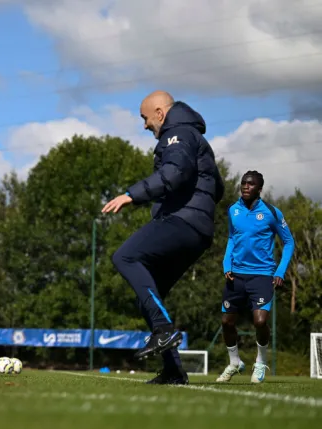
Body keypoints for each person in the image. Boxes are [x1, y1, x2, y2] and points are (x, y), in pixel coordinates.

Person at [102, 90, 225, 385]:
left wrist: (132, 194)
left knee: (125, 256)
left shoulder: (178, 134)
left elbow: (175, 172)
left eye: (145, 118)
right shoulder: (193, 136)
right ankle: (173, 371)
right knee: (149, 293)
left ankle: (163, 331)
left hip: (183, 222)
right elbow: (217, 188)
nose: (144, 125)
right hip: (197, 227)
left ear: (159, 113)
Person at [216, 171, 295, 384]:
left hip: (262, 275)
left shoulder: (271, 212)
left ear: (259, 189)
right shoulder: (233, 210)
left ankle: (260, 362)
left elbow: (289, 242)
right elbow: (232, 238)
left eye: (250, 184)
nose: (245, 187)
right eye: (243, 183)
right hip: (236, 275)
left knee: (260, 321)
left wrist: (279, 271)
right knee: (226, 321)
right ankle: (234, 363)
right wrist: (226, 264)